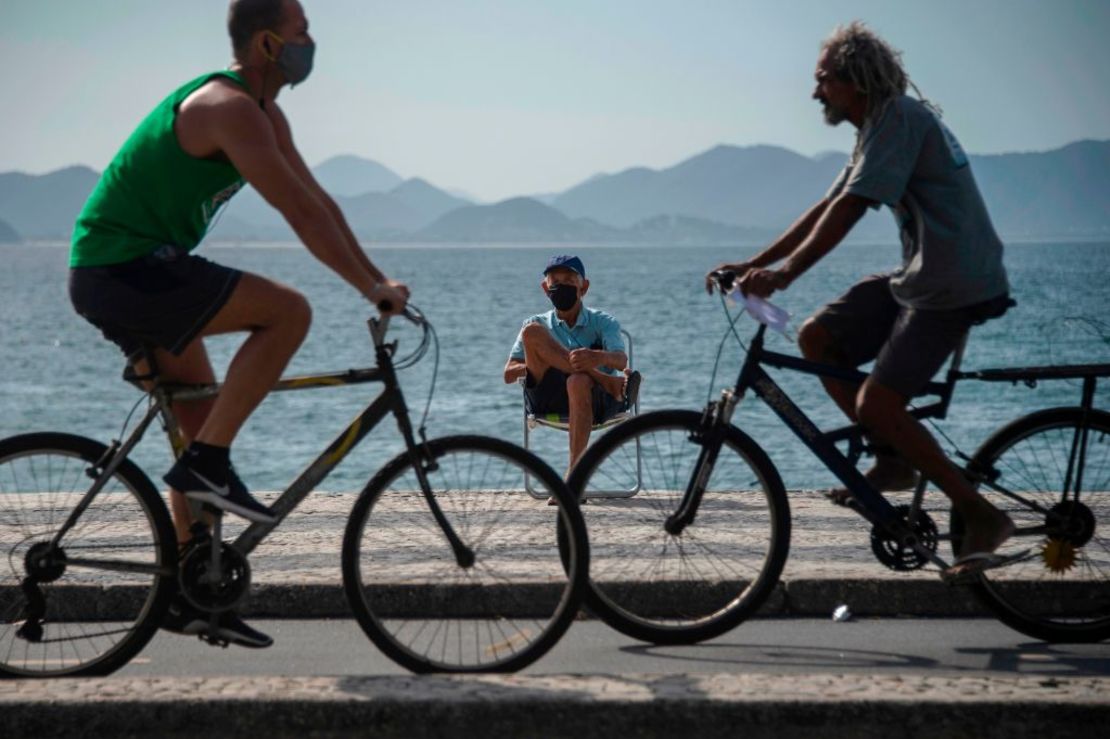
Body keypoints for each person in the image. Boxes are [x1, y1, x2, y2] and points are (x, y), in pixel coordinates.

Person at [68, 0, 408, 647]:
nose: (314, 43)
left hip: (139, 269)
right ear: (268, 45)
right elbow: (298, 215)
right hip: (126, 269)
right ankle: (209, 463)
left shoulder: (264, 114)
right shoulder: (227, 108)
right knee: (288, 312)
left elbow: (319, 201)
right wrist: (368, 287)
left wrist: (379, 280)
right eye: (303, 32)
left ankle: (188, 595)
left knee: (198, 419)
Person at [706, 22, 1015, 581]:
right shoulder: (878, 125)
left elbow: (851, 211)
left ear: (856, 81)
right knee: (818, 337)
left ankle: (980, 513)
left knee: (878, 404)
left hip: (953, 284)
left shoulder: (897, 119)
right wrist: (754, 264)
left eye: (823, 79)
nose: (815, 92)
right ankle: (894, 459)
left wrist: (785, 276)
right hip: (921, 277)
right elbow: (828, 205)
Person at [504, 255, 641, 471]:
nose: (561, 286)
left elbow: (621, 360)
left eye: (569, 281)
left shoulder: (603, 322)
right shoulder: (537, 323)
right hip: (548, 399)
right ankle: (609, 382)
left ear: (583, 287)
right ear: (545, 288)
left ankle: (574, 475)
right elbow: (509, 373)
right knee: (532, 332)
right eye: (555, 282)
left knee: (577, 380)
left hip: (593, 401)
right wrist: (544, 361)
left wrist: (597, 357)